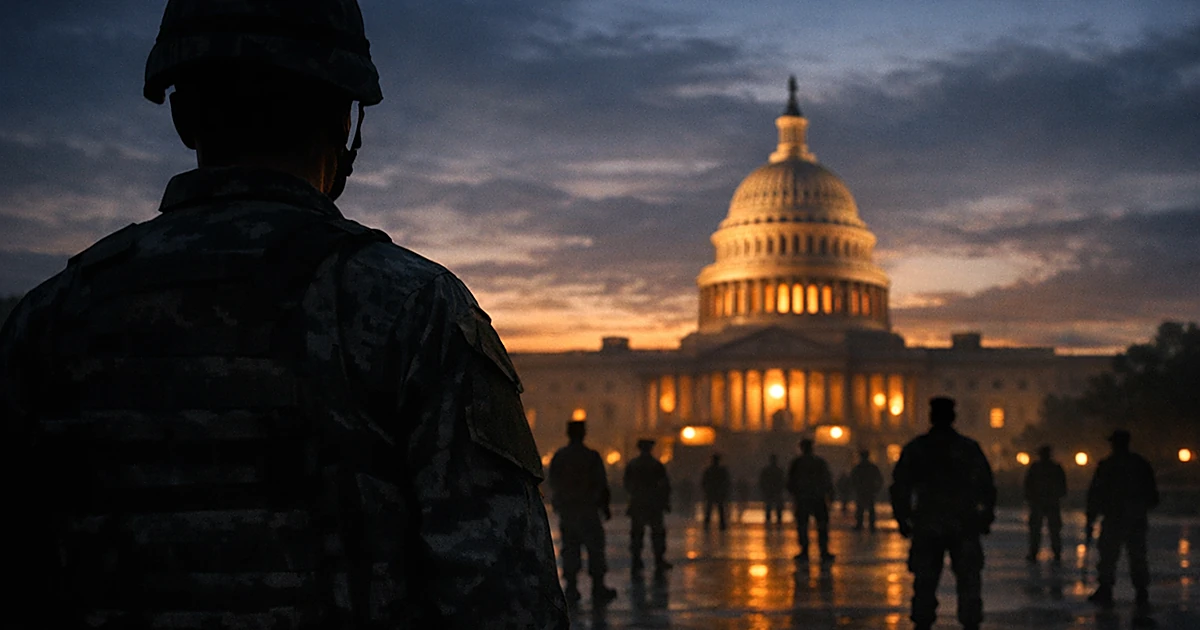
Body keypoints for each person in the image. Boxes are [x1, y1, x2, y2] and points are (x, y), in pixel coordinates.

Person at [0, 2, 568, 628]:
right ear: (342, 118)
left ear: (184, 117)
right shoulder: (408, 306)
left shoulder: (50, 317)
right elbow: (507, 597)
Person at [890, 396, 996, 630]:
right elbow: (986, 486)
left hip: (928, 523)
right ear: (953, 417)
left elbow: (900, 486)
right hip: (963, 523)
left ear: (931, 417)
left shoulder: (918, 448)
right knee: (968, 581)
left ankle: (923, 620)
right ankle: (970, 621)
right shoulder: (968, 448)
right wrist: (985, 517)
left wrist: (903, 518)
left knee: (925, 582)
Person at [1085, 429, 1159, 621]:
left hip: (1115, 518)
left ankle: (1107, 589)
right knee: (1136, 555)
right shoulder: (1139, 464)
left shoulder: (1108, 465)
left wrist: (1091, 518)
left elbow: (1096, 493)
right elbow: (1152, 494)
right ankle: (1141, 591)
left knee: (1109, 555)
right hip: (1134, 518)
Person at [548, 420, 618, 606]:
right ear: (583, 434)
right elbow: (601, 483)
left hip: (569, 512)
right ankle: (598, 587)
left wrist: (560, 503)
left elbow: (552, 482)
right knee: (595, 549)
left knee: (570, 549)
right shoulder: (591, 456)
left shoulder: (560, 456)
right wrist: (604, 507)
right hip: (588, 510)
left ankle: (571, 588)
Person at [623, 439, 673, 575]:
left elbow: (627, 484)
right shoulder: (656, 465)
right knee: (657, 533)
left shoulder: (633, 464)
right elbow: (664, 485)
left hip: (638, 503)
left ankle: (637, 560)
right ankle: (658, 560)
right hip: (653, 504)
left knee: (637, 534)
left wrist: (635, 494)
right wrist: (665, 502)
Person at [787, 438, 836, 563]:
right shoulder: (819, 462)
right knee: (822, 525)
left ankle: (804, 551)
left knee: (803, 526)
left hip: (803, 498)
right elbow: (827, 479)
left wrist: (795, 494)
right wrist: (830, 494)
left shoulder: (797, 463)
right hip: (818, 497)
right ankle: (823, 551)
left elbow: (790, 481)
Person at [1024, 445, 1067, 563]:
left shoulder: (1036, 468)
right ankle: (1055, 552)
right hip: (1049, 502)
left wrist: (1031, 497)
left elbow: (1028, 484)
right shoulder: (1055, 468)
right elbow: (1062, 487)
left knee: (1038, 530)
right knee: (1052, 530)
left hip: (1040, 502)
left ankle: (1035, 552)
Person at [850, 449, 884, 532]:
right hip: (870, 490)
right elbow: (879, 478)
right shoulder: (872, 467)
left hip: (861, 490)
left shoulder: (858, 467)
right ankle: (872, 526)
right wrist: (876, 488)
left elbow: (853, 479)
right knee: (870, 509)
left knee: (860, 509)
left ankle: (859, 525)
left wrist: (855, 487)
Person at [701, 453, 732, 530]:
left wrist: (706, 491)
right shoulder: (722, 471)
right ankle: (721, 525)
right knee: (719, 510)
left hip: (711, 492)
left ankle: (707, 525)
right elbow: (726, 482)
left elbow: (704, 482)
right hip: (718, 493)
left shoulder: (709, 470)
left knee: (710, 510)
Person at [759, 454, 787, 526]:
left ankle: (770, 520)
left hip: (770, 491)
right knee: (776, 507)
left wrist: (764, 489)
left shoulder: (767, 470)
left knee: (769, 506)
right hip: (776, 491)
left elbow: (762, 481)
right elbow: (783, 481)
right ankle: (778, 520)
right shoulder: (779, 470)